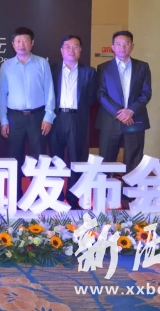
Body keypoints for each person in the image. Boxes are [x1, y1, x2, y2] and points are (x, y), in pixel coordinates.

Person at [0, 26, 55, 200]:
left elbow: (49, 91)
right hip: (15, 118)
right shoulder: (7, 66)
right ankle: (15, 196)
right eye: (18, 41)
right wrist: (3, 120)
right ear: (13, 44)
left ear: (32, 43)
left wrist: (48, 116)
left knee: (39, 157)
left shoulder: (42, 63)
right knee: (14, 158)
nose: (21, 44)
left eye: (25, 41)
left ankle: (37, 196)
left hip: (38, 117)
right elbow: (1, 94)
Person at [49, 35, 97, 209]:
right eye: (67, 46)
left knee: (77, 158)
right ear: (61, 50)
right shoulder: (52, 70)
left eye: (75, 46)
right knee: (56, 158)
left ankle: (73, 197)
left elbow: (91, 97)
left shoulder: (89, 72)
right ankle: (56, 196)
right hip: (56, 118)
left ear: (80, 50)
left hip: (77, 118)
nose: (71, 50)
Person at [96, 30, 152, 176]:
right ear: (112, 47)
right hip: (110, 120)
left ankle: (130, 189)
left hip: (135, 118)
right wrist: (119, 113)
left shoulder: (143, 67)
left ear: (132, 46)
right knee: (106, 158)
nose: (122, 47)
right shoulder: (103, 68)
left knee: (134, 159)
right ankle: (106, 188)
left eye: (126, 44)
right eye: (119, 44)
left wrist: (130, 111)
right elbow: (101, 94)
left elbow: (146, 92)